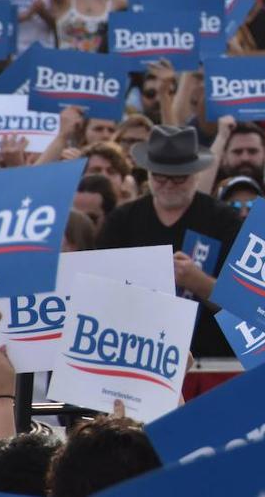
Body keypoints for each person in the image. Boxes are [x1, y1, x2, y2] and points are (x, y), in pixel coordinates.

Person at [95, 125, 242, 356]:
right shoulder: (122, 219)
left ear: (196, 174)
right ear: (149, 174)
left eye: (178, 178)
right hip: (136, 352)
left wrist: (198, 281)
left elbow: (242, 304)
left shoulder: (223, 220)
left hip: (208, 357)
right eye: (160, 177)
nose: (168, 185)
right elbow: (97, 291)